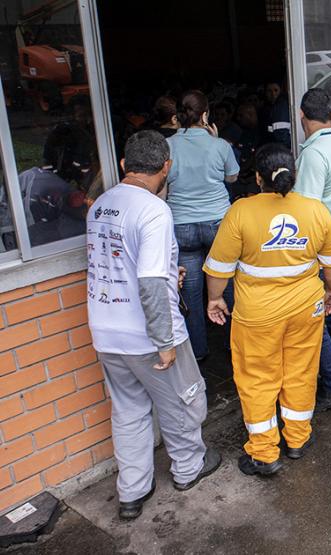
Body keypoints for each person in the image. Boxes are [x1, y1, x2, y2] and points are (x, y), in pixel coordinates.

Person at [87, 131, 221, 520]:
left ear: (126, 165)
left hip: (106, 331)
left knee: (127, 410)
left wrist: (169, 273)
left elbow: (119, 263)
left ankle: (132, 490)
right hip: (148, 332)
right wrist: (164, 341)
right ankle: (188, 468)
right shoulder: (153, 210)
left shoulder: (101, 205)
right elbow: (148, 282)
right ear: (166, 167)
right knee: (182, 401)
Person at [203, 144, 331, 476]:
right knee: (300, 372)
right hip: (306, 308)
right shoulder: (315, 210)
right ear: (292, 176)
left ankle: (265, 453)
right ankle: (297, 439)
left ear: (257, 177)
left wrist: (215, 299)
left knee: (257, 379)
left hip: (257, 315)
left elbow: (219, 267)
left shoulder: (241, 211)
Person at [165, 90, 239, 362]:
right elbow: (232, 177)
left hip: (182, 224)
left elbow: (164, 181)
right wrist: (216, 140)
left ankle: (198, 350)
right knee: (227, 283)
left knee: (191, 290)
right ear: (205, 114)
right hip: (217, 222)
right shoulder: (219, 146)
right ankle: (236, 343)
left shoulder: (168, 145)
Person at [293, 88, 331, 411]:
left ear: (302, 117)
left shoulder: (314, 154)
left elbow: (307, 212)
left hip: (319, 253)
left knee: (318, 320)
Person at [260, 81, 292, 148]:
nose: (273, 94)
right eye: (269, 91)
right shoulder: (265, 110)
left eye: (276, 90)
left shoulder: (281, 106)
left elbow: (282, 136)